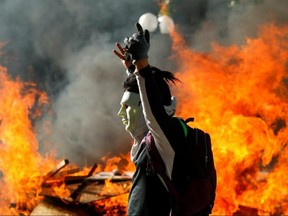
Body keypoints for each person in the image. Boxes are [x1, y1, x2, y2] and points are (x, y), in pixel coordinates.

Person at [113, 23, 212, 216]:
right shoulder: (149, 140)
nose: (121, 113)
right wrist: (133, 70)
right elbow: (149, 109)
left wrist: (142, 65)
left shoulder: (166, 139)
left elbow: (154, 114)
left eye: (127, 107)